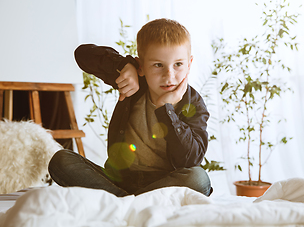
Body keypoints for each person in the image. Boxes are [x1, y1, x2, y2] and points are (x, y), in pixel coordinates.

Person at [48, 18, 212, 197]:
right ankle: (133, 199)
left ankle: (119, 200)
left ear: (189, 63)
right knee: (61, 160)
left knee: (198, 178)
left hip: (164, 182)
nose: (169, 75)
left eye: (178, 64)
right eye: (158, 65)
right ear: (141, 66)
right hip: (120, 179)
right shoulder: (134, 83)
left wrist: (167, 110)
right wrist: (123, 65)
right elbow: (83, 54)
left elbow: (190, 159)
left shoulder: (193, 103)